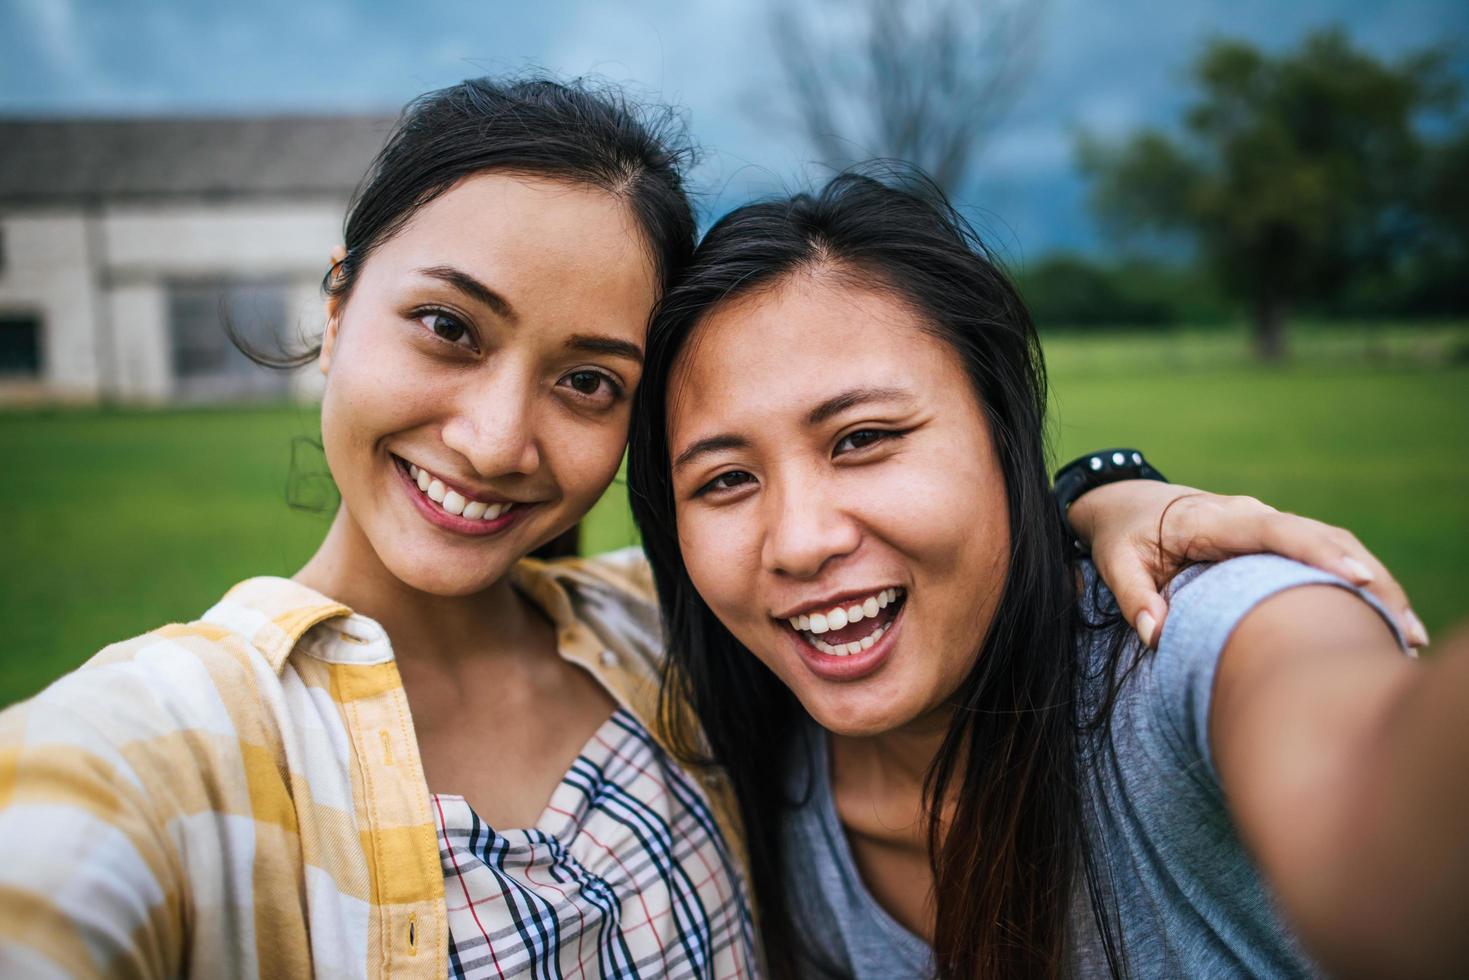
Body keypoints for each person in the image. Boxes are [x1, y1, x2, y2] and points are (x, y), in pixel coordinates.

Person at [0, 77, 1419, 978]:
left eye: (588, 382)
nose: (497, 437)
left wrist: (1104, 489)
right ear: (335, 302)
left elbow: (1379, 825)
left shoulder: (663, 640)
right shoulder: (178, 732)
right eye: (445, 328)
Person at [626, 171, 1467, 979]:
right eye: (725, 479)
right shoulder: (735, 766)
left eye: (862, 439)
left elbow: (1381, 848)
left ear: (1002, 433)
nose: (800, 543)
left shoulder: (1183, 643)